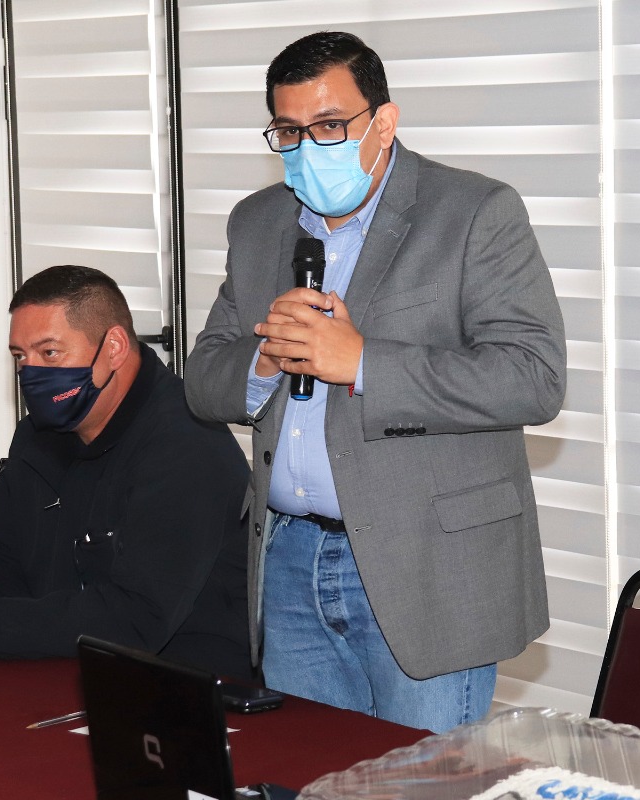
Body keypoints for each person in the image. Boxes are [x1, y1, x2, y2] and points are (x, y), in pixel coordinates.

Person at [184, 31, 565, 732]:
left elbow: (533, 377)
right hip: (289, 558)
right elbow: (204, 381)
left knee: (423, 777)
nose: (309, 147)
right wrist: (266, 357)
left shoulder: (474, 212)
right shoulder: (257, 223)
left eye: (330, 125)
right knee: (313, 772)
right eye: (290, 131)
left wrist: (362, 361)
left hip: (424, 564)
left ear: (383, 122)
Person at [0, 265, 252, 679]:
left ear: (114, 348)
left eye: (49, 353)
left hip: (182, 689)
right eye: (20, 357)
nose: (30, 373)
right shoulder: (41, 434)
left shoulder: (186, 445)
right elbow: (0, 557)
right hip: (60, 668)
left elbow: (136, 617)